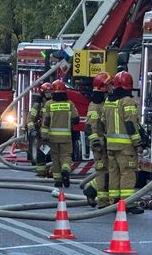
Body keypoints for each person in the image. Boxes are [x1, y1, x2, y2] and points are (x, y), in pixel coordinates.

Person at [102, 70, 144, 214]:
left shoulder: (108, 101)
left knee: (114, 173)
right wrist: (138, 143)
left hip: (111, 145)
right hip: (126, 147)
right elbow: (131, 124)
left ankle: (114, 201)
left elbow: (102, 122)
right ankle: (128, 203)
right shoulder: (127, 101)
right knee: (127, 174)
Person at [40, 80, 79, 188]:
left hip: (52, 138)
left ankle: (57, 180)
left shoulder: (48, 104)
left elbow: (46, 121)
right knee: (66, 156)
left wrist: (44, 135)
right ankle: (65, 170)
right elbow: (76, 119)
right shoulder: (69, 104)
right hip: (66, 137)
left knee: (55, 159)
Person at [84, 72, 111, 208]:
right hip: (99, 145)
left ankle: (90, 190)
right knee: (102, 172)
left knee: (108, 172)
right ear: (103, 87)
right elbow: (90, 126)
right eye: (109, 85)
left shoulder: (104, 102)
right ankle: (103, 201)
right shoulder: (95, 105)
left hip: (107, 144)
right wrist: (95, 142)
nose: (111, 88)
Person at [26, 82, 53, 176]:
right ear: (42, 93)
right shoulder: (37, 105)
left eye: (50, 92)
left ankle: (51, 172)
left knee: (52, 154)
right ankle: (41, 172)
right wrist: (32, 129)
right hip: (41, 134)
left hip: (53, 134)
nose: (49, 94)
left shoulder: (55, 104)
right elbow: (30, 119)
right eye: (47, 92)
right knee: (42, 153)